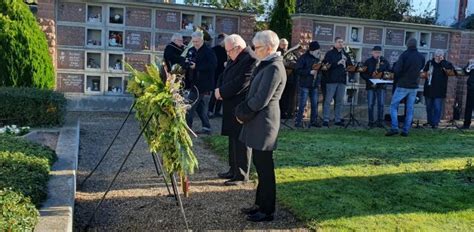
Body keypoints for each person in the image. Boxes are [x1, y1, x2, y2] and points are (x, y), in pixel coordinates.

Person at [235, 30, 286, 222]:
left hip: (264, 123)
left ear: (270, 47)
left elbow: (260, 100)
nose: (254, 51)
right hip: (257, 121)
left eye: (257, 47)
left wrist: (241, 114)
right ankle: (259, 204)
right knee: (260, 165)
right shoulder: (266, 64)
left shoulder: (274, 67)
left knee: (265, 169)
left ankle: (267, 210)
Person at [214, 34, 255, 185]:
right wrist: (218, 89)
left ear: (237, 48)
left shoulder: (250, 58)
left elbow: (241, 82)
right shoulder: (236, 56)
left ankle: (242, 175)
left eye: (229, 51)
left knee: (241, 140)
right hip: (230, 103)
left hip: (240, 104)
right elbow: (224, 75)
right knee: (232, 138)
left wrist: (222, 92)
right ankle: (233, 169)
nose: (228, 54)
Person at [386, 38, 425, 137]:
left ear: (407, 45)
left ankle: (394, 127)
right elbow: (421, 68)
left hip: (403, 84)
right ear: (416, 45)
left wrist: (394, 71)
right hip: (414, 85)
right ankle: (406, 130)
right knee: (410, 108)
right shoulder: (421, 56)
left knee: (393, 106)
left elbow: (398, 70)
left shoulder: (404, 55)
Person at [185, 31, 217, 134]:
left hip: (203, 84)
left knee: (189, 106)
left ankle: (187, 129)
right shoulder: (191, 50)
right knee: (200, 107)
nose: (195, 44)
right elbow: (186, 62)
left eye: (197, 41)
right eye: (193, 42)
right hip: (193, 82)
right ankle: (207, 127)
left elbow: (213, 65)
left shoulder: (209, 51)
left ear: (202, 40)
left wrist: (197, 67)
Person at [322, 37, 353, 127]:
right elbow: (325, 66)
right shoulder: (330, 54)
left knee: (339, 101)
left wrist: (346, 62)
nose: (341, 44)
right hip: (331, 80)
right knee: (328, 100)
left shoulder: (345, 54)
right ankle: (326, 119)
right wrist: (337, 63)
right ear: (335, 43)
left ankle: (338, 119)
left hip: (342, 80)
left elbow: (350, 66)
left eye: (342, 42)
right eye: (339, 42)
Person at [422, 49, 454, 129]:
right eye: (437, 56)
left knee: (437, 107)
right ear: (434, 56)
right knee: (429, 107)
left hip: (439, 89)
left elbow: (451, 70)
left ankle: (435, 123)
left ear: (443, 56)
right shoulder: (430, 63)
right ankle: (430, 121)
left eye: (440, 56)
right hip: (429, 88)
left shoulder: (446, 63)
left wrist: (442, 61)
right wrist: (426, 74)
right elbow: (423, 73)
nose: (438, 58)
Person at [361, 46, 390, 128]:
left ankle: (380, 121)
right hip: (371, 86)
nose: (378, 54)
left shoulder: (384, 62)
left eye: (379, 53)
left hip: (381, 86)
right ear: (372, 52)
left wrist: (384, 75)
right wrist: (369, 79)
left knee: (381, 104)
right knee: (370, 104)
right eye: (376, 52)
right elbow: (362, 73)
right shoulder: (368, 62)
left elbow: (389, 72)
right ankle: (371, 122)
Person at [294, 41, 322, 128]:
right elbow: (297, 70)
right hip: (305, 84)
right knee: (302, 104)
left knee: (314, 104)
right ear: (312, 50)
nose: (319, 52)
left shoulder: (317, 58)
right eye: (317, 50)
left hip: (314, 85)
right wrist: (309, 72)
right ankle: (298, 122)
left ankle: (313, 121)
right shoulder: (303, 58)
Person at [279, 40, 300, 120]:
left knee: (291, 97)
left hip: (292, 78)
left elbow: (297, 62)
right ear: (280, 45)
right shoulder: (279, 52)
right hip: (283, 78)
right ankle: (282, 113)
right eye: (283, 44)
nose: (285, 46)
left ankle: (290, 113)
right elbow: (283, 62)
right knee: (283, 97)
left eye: (286, 44)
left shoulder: (292, 53)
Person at [208, 33, 228, 118]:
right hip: (216, 74)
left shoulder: (228, 50)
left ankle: (217, 111)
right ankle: (210, 110)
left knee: (222, 94)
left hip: (225, 74)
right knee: (214, 94)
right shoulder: (214, 49)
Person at [463, 59, 474, 129]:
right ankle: (466, 124)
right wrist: (469, 64)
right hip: (471, 88)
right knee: (468, 106)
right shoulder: (472, 64)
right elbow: (466, 72)